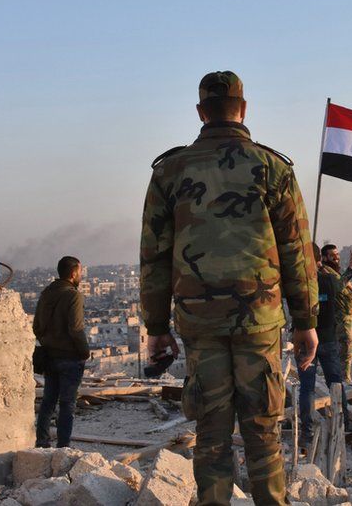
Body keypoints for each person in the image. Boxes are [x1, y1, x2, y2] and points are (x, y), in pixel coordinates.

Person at [140, 71, 319, 506]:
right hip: (260, 319)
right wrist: (307, 321)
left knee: (212, 434)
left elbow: (154, 257)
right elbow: (297, 252)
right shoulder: (273, 168)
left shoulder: (170, 171)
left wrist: (156, 326)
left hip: (200, 320)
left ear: (201, 112)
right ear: (244, 108)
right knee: (263, 431)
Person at [33, 256, 89, 448]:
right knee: (67, 404)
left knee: (48, 402)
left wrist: (49, 342)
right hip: (70, 357)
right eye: (80, 271)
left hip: (49, 356)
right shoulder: (73, 295)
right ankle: (63, 447)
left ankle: (42, 442)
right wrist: (84, 351)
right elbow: (76, 328)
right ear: (73, 273)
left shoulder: (46, 293)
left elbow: (36, 327)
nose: (81, 275)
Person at [298, 244, 346, 448]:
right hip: (328, 338)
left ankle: (308, 434)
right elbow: (341, 286)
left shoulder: (299, 282)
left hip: (305, 340)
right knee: (335, 383)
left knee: (307, 388)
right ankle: (343, 427)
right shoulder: (329, 279)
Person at [321, 244, 352, 381]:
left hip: (344, 317)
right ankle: (344, 381)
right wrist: (351, 268)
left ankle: (344, 379)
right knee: (345, 349)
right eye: (332, 255)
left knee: (345, 350)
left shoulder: (333, 271)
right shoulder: (326, 271)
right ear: (324, 258)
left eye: (337, 255)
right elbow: (337, 286)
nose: (336, 258)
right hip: (339, 318)